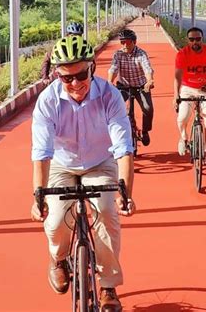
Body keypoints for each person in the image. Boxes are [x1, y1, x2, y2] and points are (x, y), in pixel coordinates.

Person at [31, 35, 136, 312]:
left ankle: (109, 286)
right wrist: (38, 196)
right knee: (54, 220)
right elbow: (41, 152)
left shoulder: (110, 96)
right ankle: (59, 260)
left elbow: (124, 147)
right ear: (57, 76)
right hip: (61, 166)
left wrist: (126, 193)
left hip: (100, 163)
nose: (75, 84)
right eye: (67, 78)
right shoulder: (47, 101)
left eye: (81, 75)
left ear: (92, 68)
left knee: (105, 211)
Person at [173, 27, 206, 168]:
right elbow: (177, 78)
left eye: (198, 39)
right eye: (191, 39)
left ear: (202, 39)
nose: (195, 42)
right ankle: (184, 138)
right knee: (182, 117)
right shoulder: (182, 54)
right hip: (188, 89)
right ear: (187, 40)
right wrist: (176, 96)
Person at [108, 29, 155, 146]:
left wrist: (149, 81)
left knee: (148, 108)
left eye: (127, 42)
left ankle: (145, 131)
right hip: (123, 86)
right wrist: (109, 82)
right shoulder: (118, 54)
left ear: (134, 42)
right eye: (122, 42)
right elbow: (113, 69)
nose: (125, 45)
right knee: (112, 107)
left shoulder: (141, 54)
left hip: (141, 86)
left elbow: (147, 68)